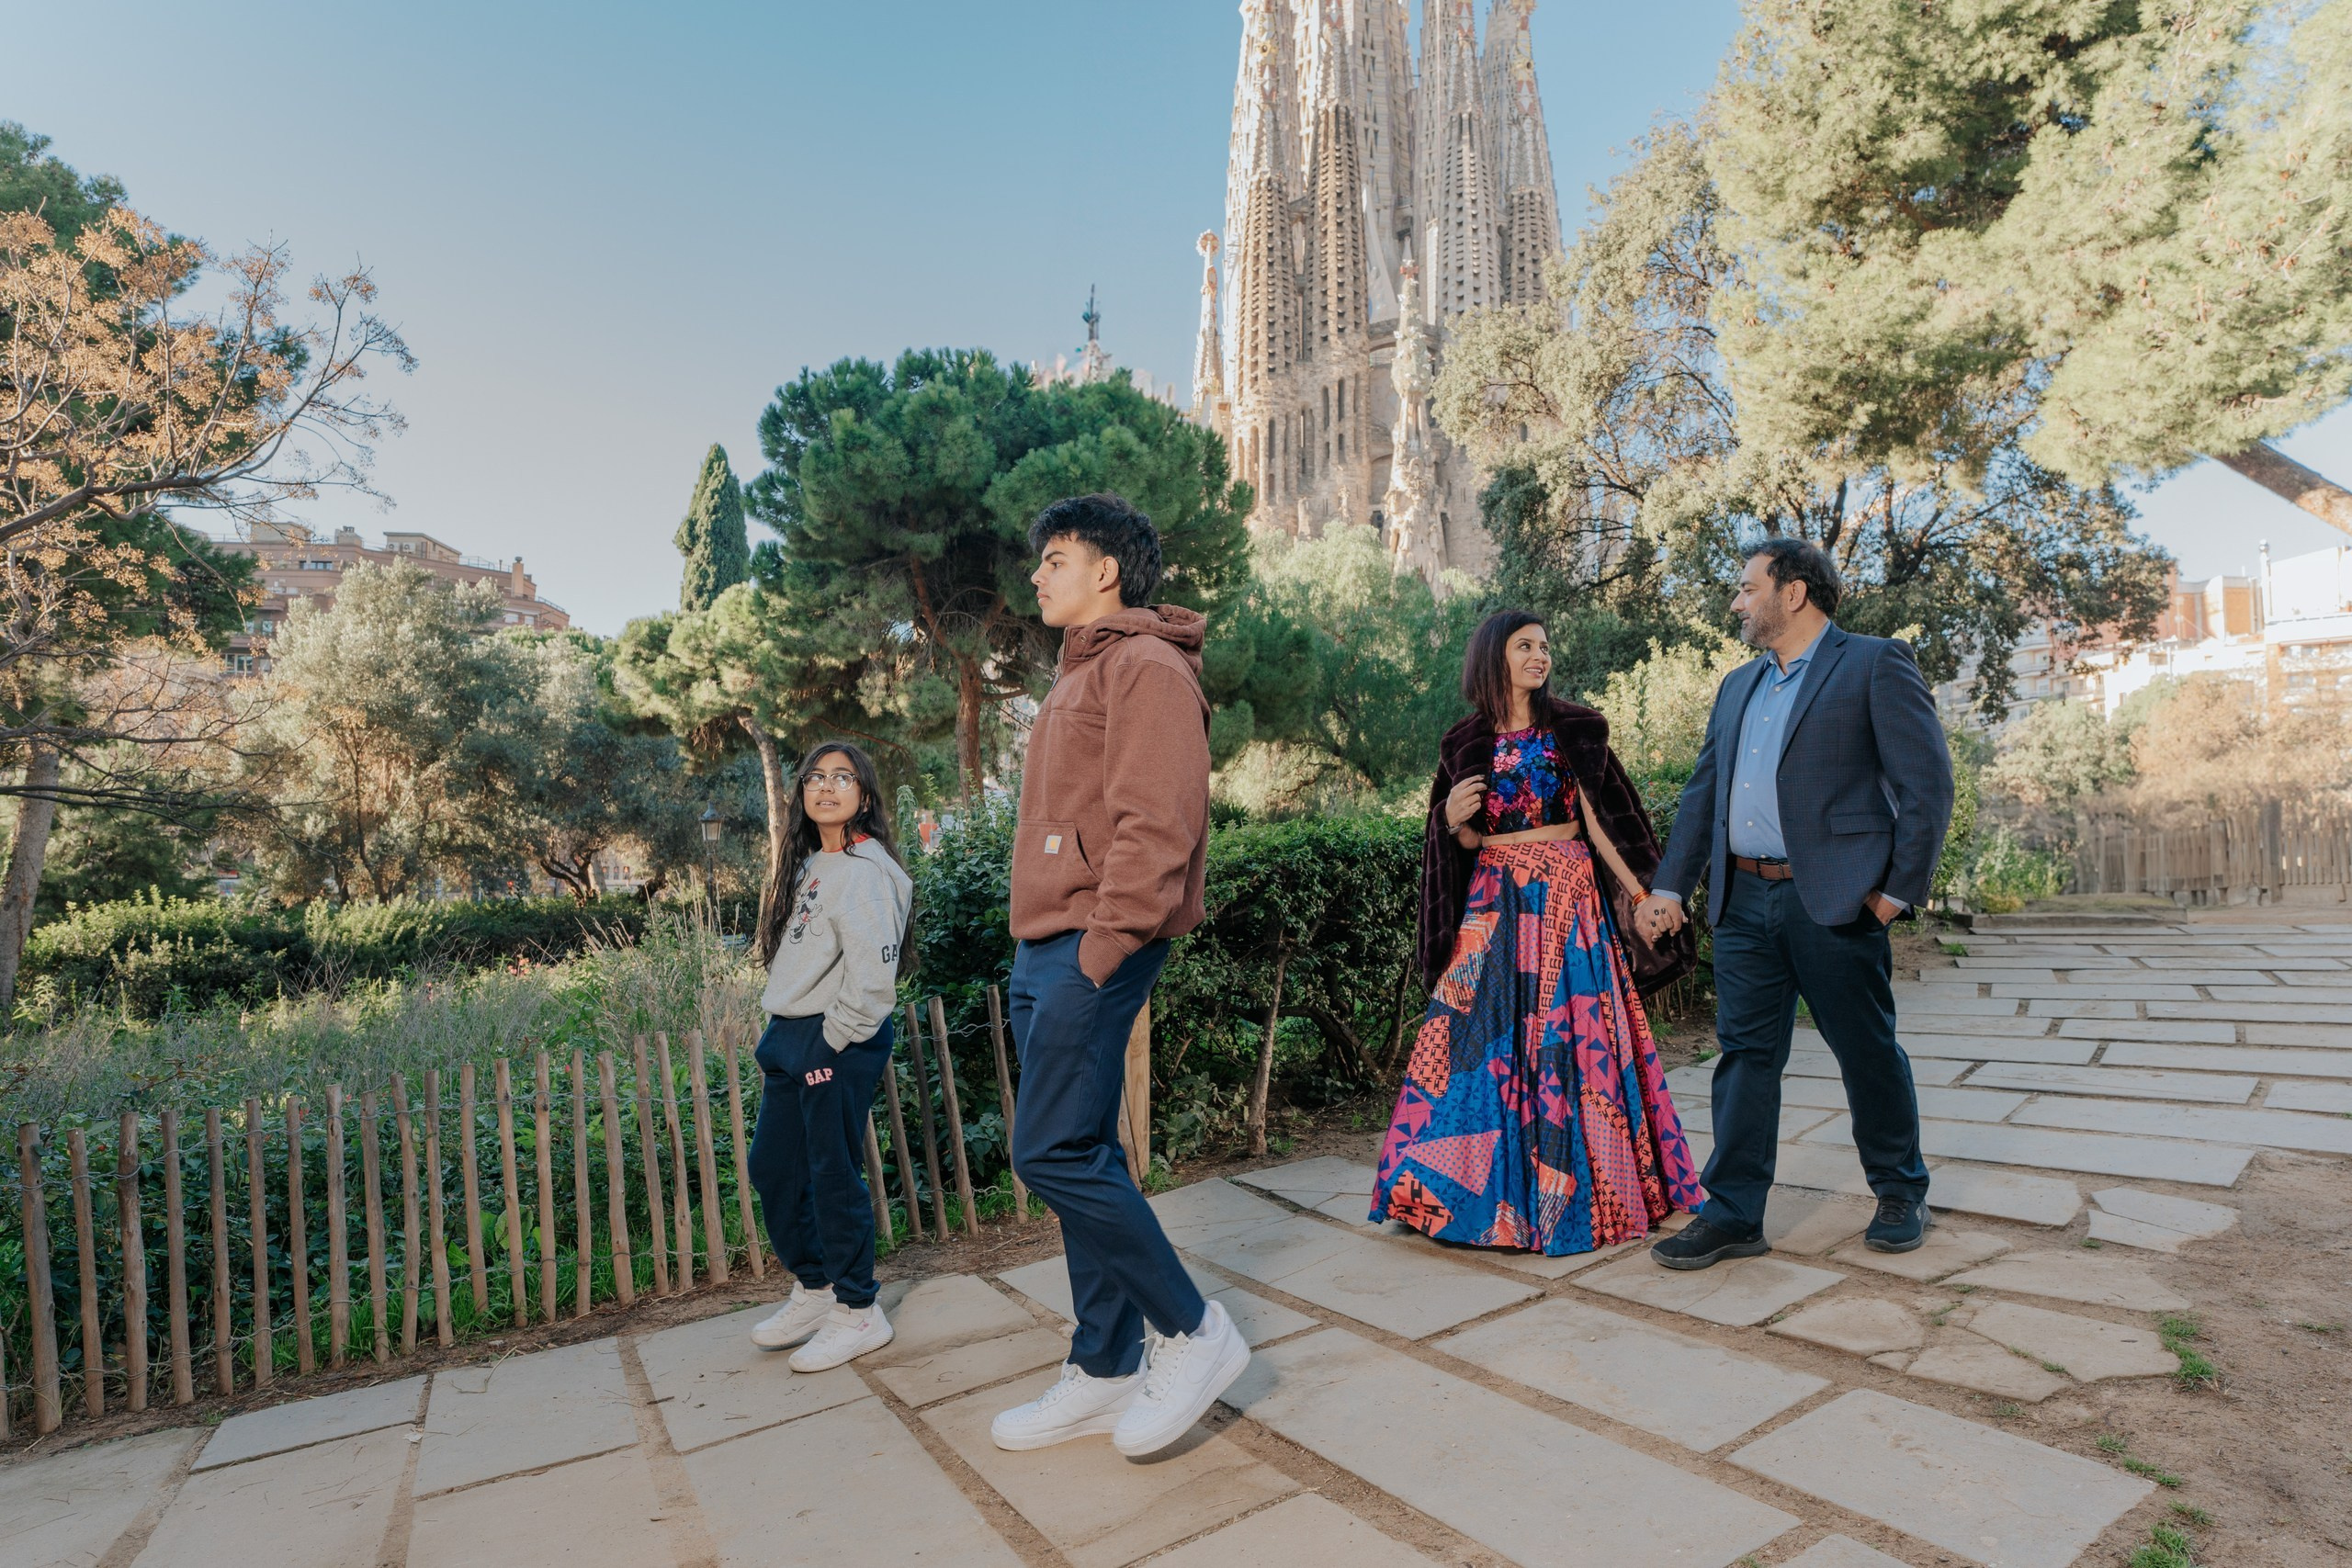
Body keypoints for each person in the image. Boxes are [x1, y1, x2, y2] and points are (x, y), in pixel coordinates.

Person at [989, 492, 1250, 1461]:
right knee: (1083, 1150)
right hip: (1048, 944)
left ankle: (1191, 1331)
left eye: (1054, 556)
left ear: (1106, 570)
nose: (1037, 574)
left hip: (1089, 947)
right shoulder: (1085, 672)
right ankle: (1103, 1364)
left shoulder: (1141, 666)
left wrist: (1102, 948)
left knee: (1047, 1152)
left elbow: (1157, 827)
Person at [1635, 539, 1954, 1268]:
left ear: (1795, 592)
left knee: (1864, 1048)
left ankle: (1901, 1189)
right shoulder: (1737, 686)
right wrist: (1669, 886)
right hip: (1743, 901)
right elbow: (1702, 794)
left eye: (1748, 589)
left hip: (1836, 902)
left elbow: (1927, 785)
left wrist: (1894, 895)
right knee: (1745, 1055)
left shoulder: (1874, 662)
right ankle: (1735, 1212)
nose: (1737, 602)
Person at [1370, 610, 1705, 1256]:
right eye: (1526, 645)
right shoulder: (1464, 742)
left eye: (1545, 646)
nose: (1539, 655)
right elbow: (1464, 842)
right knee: (1467, 1044)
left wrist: (1641, 894)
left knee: (1574, 1047)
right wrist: (1450, 818)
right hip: (1495, 900)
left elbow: (1602, 821)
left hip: (1569, 895)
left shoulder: (1571, 729)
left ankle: (1588, 1198)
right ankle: (1461, 1202)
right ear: (1494, 656)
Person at [742, 740, 914, 1370]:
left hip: (834, 1036)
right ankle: (817, 1287)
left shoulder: (868, 872)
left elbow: (872, 980)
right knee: (775, 1168)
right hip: (791, 1033)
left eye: (842, 778)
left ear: (864, 796)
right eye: (815, 777)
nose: (826, 787)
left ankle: (858, 1308)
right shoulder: (815, 863)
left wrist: (830, 1043)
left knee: (831, 1171)